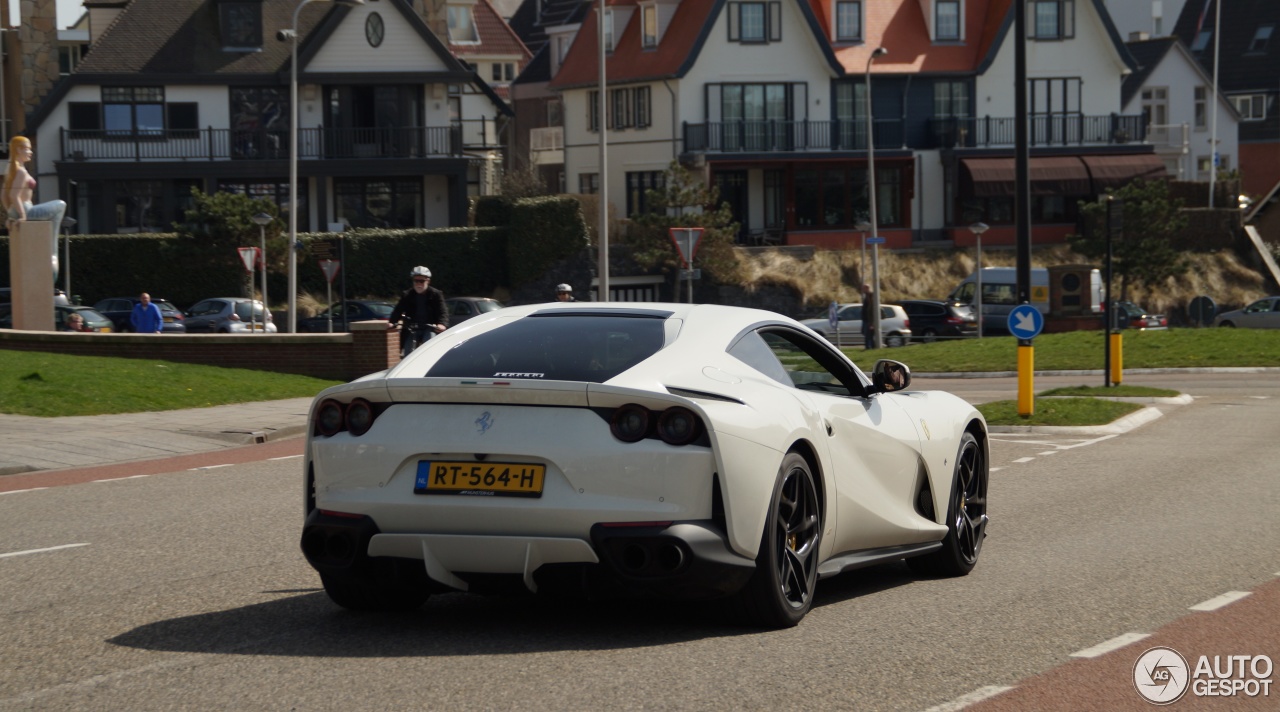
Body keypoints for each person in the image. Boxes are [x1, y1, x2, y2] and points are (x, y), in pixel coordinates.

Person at [4, 136, 67, 282]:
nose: (31, 152)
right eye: (27, 149)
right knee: (61, 205)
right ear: (19, 150)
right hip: (26, 209)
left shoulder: (10, 171)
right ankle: (52, 254)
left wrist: (10, 214)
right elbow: (14, 195)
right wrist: (22, 215)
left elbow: (4, 195)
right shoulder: (20, 172)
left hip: (16, 210)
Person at [389, 266, 448, 356]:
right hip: (412, 328)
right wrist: (392, 322)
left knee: (429, 348)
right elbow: (398, 310)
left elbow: (443, 311)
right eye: (416, 281)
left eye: (422, 281)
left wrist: (442, 324)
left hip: (429, 327)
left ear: (428, 281)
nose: (418, 284)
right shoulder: (407, 295)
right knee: (408, 352)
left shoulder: (436, 294)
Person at [861, 282, 878, 350]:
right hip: (865, 319)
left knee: (868, 335)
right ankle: (870, 346)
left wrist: (871, 323)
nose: (862, 290)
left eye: (864, 288)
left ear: (867, 288)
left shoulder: (870, 296)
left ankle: (869, 347)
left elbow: (871, 310)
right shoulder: (866, 296)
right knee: (866, 334)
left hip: (868, 319)